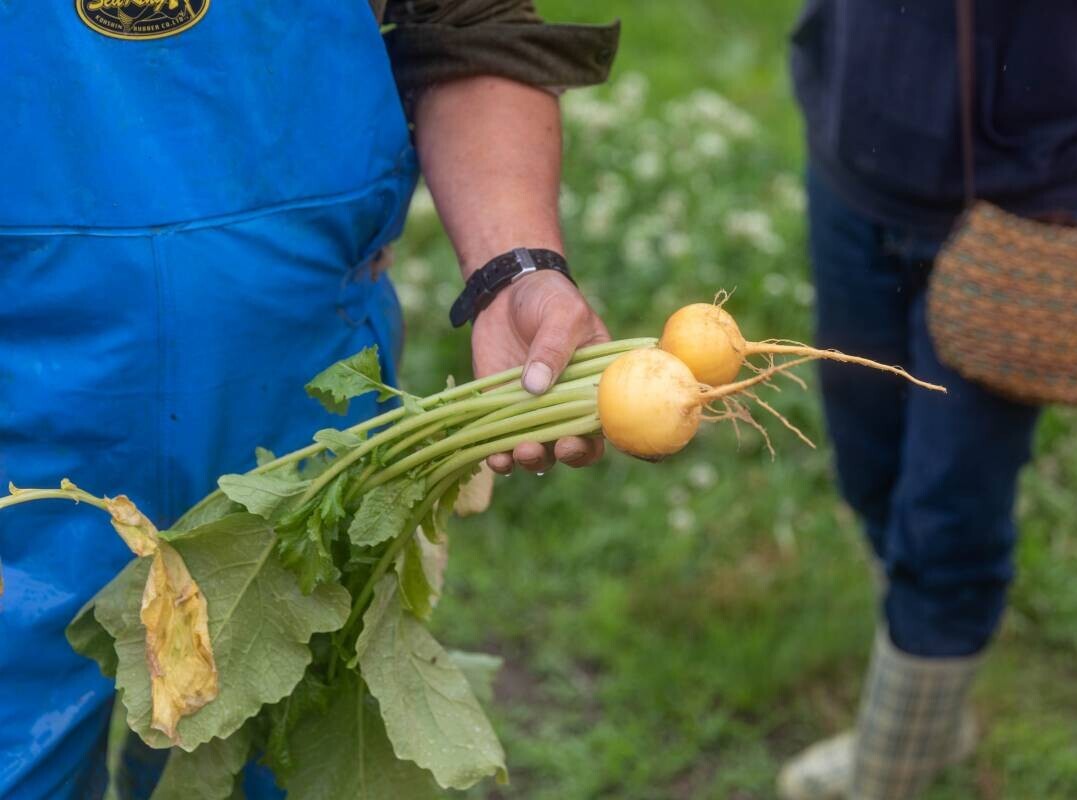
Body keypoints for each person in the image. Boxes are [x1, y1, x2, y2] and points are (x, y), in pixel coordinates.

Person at [0, 2, 617, 797]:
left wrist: (514, 268)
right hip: (17, 425)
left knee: (279, 753)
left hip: (301, 428)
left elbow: (472, 22)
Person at [777, 2, 1077, 798]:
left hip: (1030, 180)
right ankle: (932, 726)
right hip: (860, 139)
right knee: (870, 470)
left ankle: (890, 772)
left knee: (949, 520)